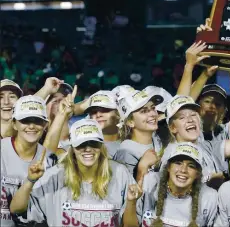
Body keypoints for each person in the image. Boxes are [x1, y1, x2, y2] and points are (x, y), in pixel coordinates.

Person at [10, 118, 141, 227]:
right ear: (72, 147)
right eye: (82, 144)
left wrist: (131, 202)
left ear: (101, 146)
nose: (88, 149)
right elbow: (16, 209)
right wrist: (30, 180)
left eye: (93, 143)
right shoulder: (56, 175)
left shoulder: (119, 173)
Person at [161, 72, 230, 189]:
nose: (190, 120)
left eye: (193, 115)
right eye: (182, 117)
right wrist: (208, 183)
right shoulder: (171, 154)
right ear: (173, 128)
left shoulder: (208, 147)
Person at [1, 95, 56, 227]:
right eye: (25, 120)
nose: (31, 126)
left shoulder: (51, 160)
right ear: (14, 124)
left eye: (37, 121)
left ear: (45, 125)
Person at [137, 142, 218, 226]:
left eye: (191, 166)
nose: (183, 170)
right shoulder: (151, 182)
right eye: (178, 163)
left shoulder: (208, 197)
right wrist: (131, 201)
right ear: (168, 166)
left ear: (197, 173)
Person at [113, 89, 164, 176]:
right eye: (143, 111)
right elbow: (126, 187)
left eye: (153, 108)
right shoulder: (127, 151)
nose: (152, 114)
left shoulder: (156, 137)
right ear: (130, 122)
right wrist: (142, 167)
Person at [83, 90, 122, 158]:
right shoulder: (84, 145)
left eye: (104, 110)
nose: (98, 115)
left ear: (118, 113)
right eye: (94, 112)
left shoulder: (131, 141)